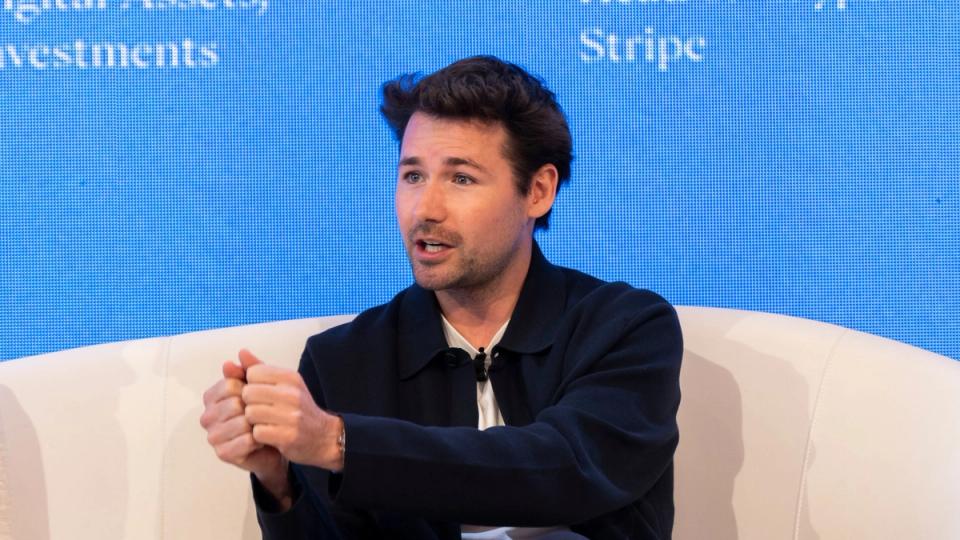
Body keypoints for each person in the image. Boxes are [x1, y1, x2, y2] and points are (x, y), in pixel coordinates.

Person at [200, 56, 682, 539]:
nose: (425, 209)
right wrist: (278, 481)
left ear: (538, 191)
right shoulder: (342, 361)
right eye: (413, 176)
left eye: (461, 178)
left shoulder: (624, 328)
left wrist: (341, 443)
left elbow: (565, 468)